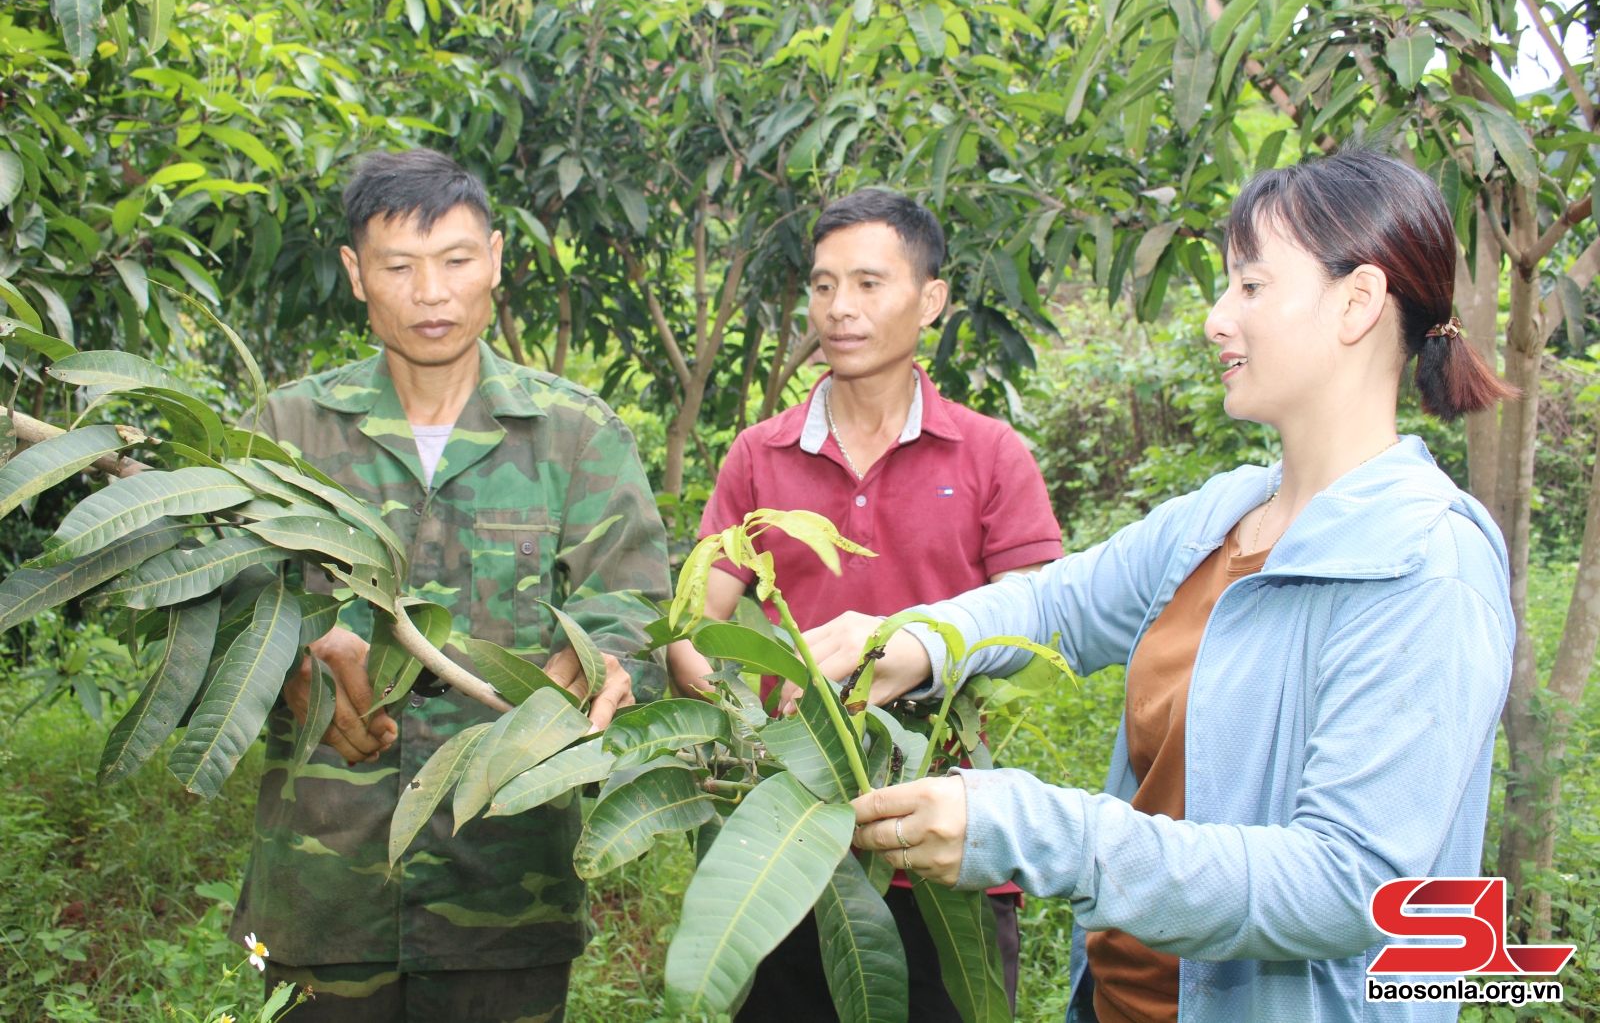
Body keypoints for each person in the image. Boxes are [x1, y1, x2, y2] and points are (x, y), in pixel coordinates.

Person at [821, 151, 1517, 1022]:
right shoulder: (1223, 514)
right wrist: (914, 639)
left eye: (1252, 287)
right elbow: (1055, 603)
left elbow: (1352, 883)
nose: (1218, 318)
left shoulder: (1427, 566)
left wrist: (1043, 830)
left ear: (1358, 301)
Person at [230, 149, 671, 1021]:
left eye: (457, 261)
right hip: (323, 889)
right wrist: (291, 650)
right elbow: (222, 596)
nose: (431, 292)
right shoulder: (285, 429)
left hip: (506, 889)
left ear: (497, 261)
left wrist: (591, 671)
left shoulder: (577, 434)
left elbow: (630, 603)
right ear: (357, 273)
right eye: (399, 266)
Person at [667, 189, 1064, 1021]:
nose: (839, 308)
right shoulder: (760, 455)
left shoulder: (990, 454)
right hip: (789, 835)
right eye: (822, 285)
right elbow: (693, 627)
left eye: (868, 284)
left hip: (945, 830)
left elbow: (1041, 620)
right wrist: (736, 715)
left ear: (931, 300)